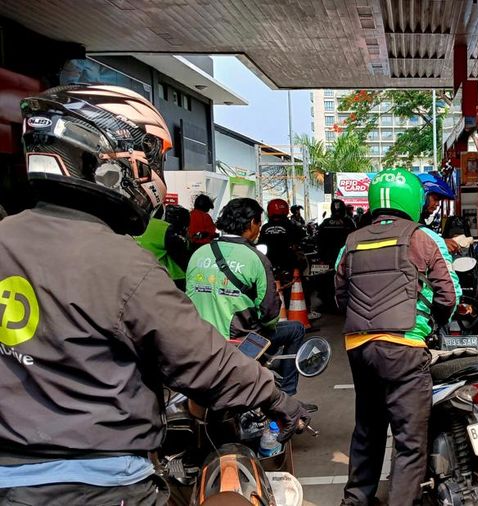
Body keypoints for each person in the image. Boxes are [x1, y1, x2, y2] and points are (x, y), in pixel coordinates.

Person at [0, 84, 307, 504]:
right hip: (104, 486)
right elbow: (202, 362)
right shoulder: (121, 263)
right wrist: (277, 398)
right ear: (107, 158)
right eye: (151, 158)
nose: (156, 176)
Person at [336, 168, 461, 506]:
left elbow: (340, 296)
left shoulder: (351, 242)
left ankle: (356, 499)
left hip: (358, 346)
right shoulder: (424, 238)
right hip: (404, 347)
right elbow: (449, 296)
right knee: (409, 440)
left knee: (367, 429)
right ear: (414, 200)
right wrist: (431, 325)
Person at [186, 198, 306, 397]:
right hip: (240, 342)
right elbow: (270, 314)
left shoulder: (199, 254)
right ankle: (287, 394)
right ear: (252, 223)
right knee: (296, 329)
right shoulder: (255, 258)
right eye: (258, 222)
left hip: (200, 342)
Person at [135, 205, 191, 290]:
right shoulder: (167, 230)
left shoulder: (142, 223)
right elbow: (182, 258)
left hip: (140, 274)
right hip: (171, 278)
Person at [316, 199, 356, 312]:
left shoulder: (325, 223)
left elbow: (318, 241)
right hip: (345, 258)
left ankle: (328, 302)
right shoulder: (349, 223)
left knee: (324, 279)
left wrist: (321, 257)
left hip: (328, 258)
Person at [418, 172, 460, 253]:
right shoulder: (410, 222)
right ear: (423, 196)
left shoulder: (419, 221)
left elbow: (426, 239)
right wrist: (440, 244)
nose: (437, 204)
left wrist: (448, 241)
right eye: (435, 199)